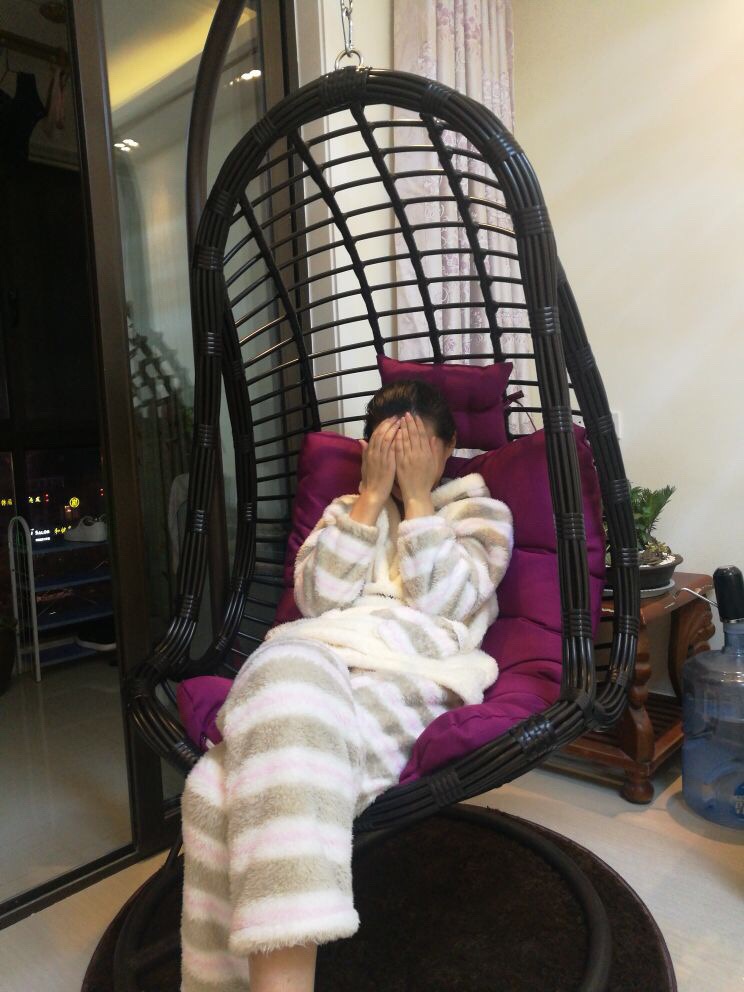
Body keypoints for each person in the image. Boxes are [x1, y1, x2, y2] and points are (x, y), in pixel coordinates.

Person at [180, 380, 514, 992]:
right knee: (288, 670)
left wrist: (418, 501)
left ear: (447, 449)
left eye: (417, 448)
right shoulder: (345, 511)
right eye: (387, 449)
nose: (402, 461)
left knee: (214, 789)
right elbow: (316, 600)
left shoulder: (479, 514)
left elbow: (447, 603)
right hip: (317, 654)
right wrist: (369, 500)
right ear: (367, 451)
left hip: (410, 672)